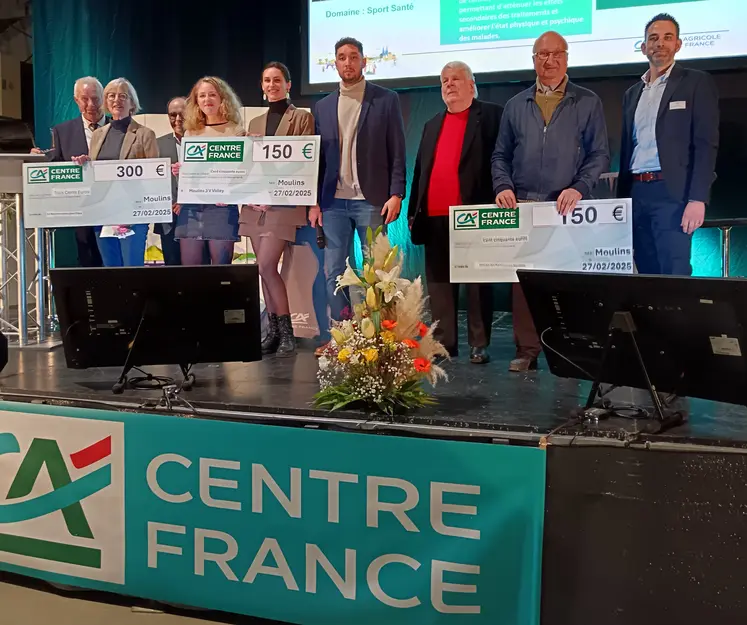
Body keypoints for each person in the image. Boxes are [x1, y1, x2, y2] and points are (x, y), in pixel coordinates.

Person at [491, 31, 609, 372]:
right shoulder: (516, 105)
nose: (550, 60)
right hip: (524, 205)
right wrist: (502, 185)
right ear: (534, 60)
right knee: (524, 285)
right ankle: (527, 350)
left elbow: (600, 154)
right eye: (543, 54)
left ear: (567, 58)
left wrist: (580, 187)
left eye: (557, 53)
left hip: (567, 205)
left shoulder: (587, 101)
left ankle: (570, 351)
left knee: (567, 285)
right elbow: (500, 155)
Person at [309, 36, 406, 353]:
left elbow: (397, 150)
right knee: (334, 272)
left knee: (376, 272)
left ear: (364, 61)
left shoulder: (385, 99)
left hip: (372, 198)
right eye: (341, 57)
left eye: (353, 57)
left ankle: (378, 336)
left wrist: (396, 193)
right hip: (333, 202)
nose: (347, 62)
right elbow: (317, 160)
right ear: (334, 63)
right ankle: (342, 336)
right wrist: (314, 202)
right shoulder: (322, 107)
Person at [409, 62, 502, 364]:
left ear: (472, 85)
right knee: (439, 286)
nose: (449, 84)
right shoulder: (432, 124)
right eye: (445, 80)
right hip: (434, 216)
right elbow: (421, 171)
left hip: (472, 215)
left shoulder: (490, 116)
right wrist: (414, 212)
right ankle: (444, 343)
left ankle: (479, 343)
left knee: (476, 284)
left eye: (457, 79)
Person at [618, 13, 719, 276]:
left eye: (667, 37)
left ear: (678, 44)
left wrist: (698, 199)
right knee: (646, 275)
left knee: (674, 275)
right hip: (637, 194)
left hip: (673, 195)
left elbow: (706, 144)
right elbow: (629, 148)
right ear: (643, 47)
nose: (659, 43)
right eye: (653, 38)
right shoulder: (632, 94)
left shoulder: (695, 83)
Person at [239, 62, 313, 357]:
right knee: (262, 270)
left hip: (283, 202)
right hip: (256, 204)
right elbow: (249, 165)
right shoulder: (254, 123)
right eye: (267, 80)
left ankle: (288, 334)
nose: (272, 85)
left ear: (288, 84)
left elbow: (303, 161)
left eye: (277, 80)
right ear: (262, 85)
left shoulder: (302, 118)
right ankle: (273, 333)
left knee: (266, 266)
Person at [72, 78, 158, 267]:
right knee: (111, 271)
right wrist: (86, 163)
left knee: (131, 269)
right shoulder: (98, 135)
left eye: (122, 96)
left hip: (133, 213)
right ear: (105, 102)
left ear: (132, 103)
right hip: (104, 213)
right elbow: (96, 172)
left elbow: (155, 178)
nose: (116, 100)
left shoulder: (145, 134)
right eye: (111, 95)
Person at [32, 76, 106, 268]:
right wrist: (37, 159)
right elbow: (55, 162)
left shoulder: (119, 128)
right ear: (76, 101)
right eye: (84, 99)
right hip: (82, 212)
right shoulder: (62, 131)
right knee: (89, 267)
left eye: (96, 98)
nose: (91, 105)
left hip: (113, 210)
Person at [174, 76, 244, 265]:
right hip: (191, 208)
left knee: (221, 273)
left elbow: (242, 174)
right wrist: (180, 171)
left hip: (221, 209)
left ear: (223, 98)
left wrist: (230, 193)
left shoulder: (236, 131)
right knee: (191, 274)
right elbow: (191, 172)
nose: (207, 100)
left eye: (212, 94)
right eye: (202, 95)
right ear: (196, 100)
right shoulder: (190, 132)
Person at [156, 96, 186, 266]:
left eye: (182, 114)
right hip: (168, 218)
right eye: (172, 115)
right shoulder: (157, 144)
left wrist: (186, 202)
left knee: (199, 272)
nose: (178, 119)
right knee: (172, 271)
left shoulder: (203, 141)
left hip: (198, 216)